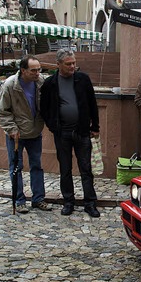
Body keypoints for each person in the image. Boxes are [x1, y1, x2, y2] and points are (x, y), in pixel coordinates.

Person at [40, 48, 101, 218]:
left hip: (82, 132)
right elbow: (44, 108)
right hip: (62, 133)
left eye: (74, 63)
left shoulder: (83, 79)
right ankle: (69, 202)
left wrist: (95, 126)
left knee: (86, 169)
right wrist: (53, 126)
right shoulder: (51, 83)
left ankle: (90, 203)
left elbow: (92, 103)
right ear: (58, 64)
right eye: (68, 64)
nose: (72, 66)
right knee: (65, 169)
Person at [0, 55, 51, 214]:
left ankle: (38, 198)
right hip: (16, 133)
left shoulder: (40, 82)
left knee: (37, 166)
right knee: (16, 167)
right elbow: (2, 111)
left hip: (35, 131)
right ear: (23, 70)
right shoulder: (10, 85)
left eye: (39, 70)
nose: (37, 73)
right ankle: (19, 200)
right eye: (33, 70)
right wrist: (11, 128)